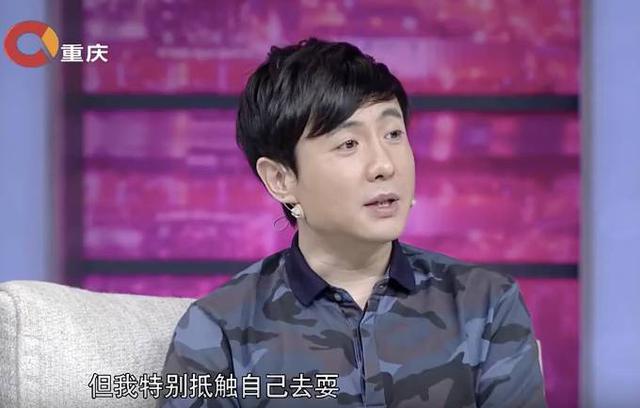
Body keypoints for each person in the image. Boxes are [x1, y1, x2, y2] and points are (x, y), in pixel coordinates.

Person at [157, 38, 546, 408]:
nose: (384, 165)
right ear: (281, 179)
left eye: (393, 134)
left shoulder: (486, 303)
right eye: (349, 144)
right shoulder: (219, 330)